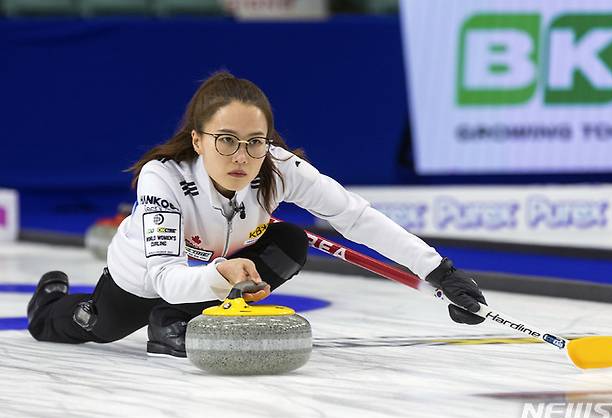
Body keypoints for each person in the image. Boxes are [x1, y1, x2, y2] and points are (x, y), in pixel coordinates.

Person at [27, 72, 487, 358]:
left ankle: (184, 321)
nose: (241, 156)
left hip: (215, 269)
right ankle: (48, 305)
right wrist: (219, 275)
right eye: (225, 139)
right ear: (198, 140)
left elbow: (356, 216)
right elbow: (165, 277)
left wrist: (440, 271)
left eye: (255, 142)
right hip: (144, 276)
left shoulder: (280, 169)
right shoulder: (162, 178)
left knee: (288, 243)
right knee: (96, 326)